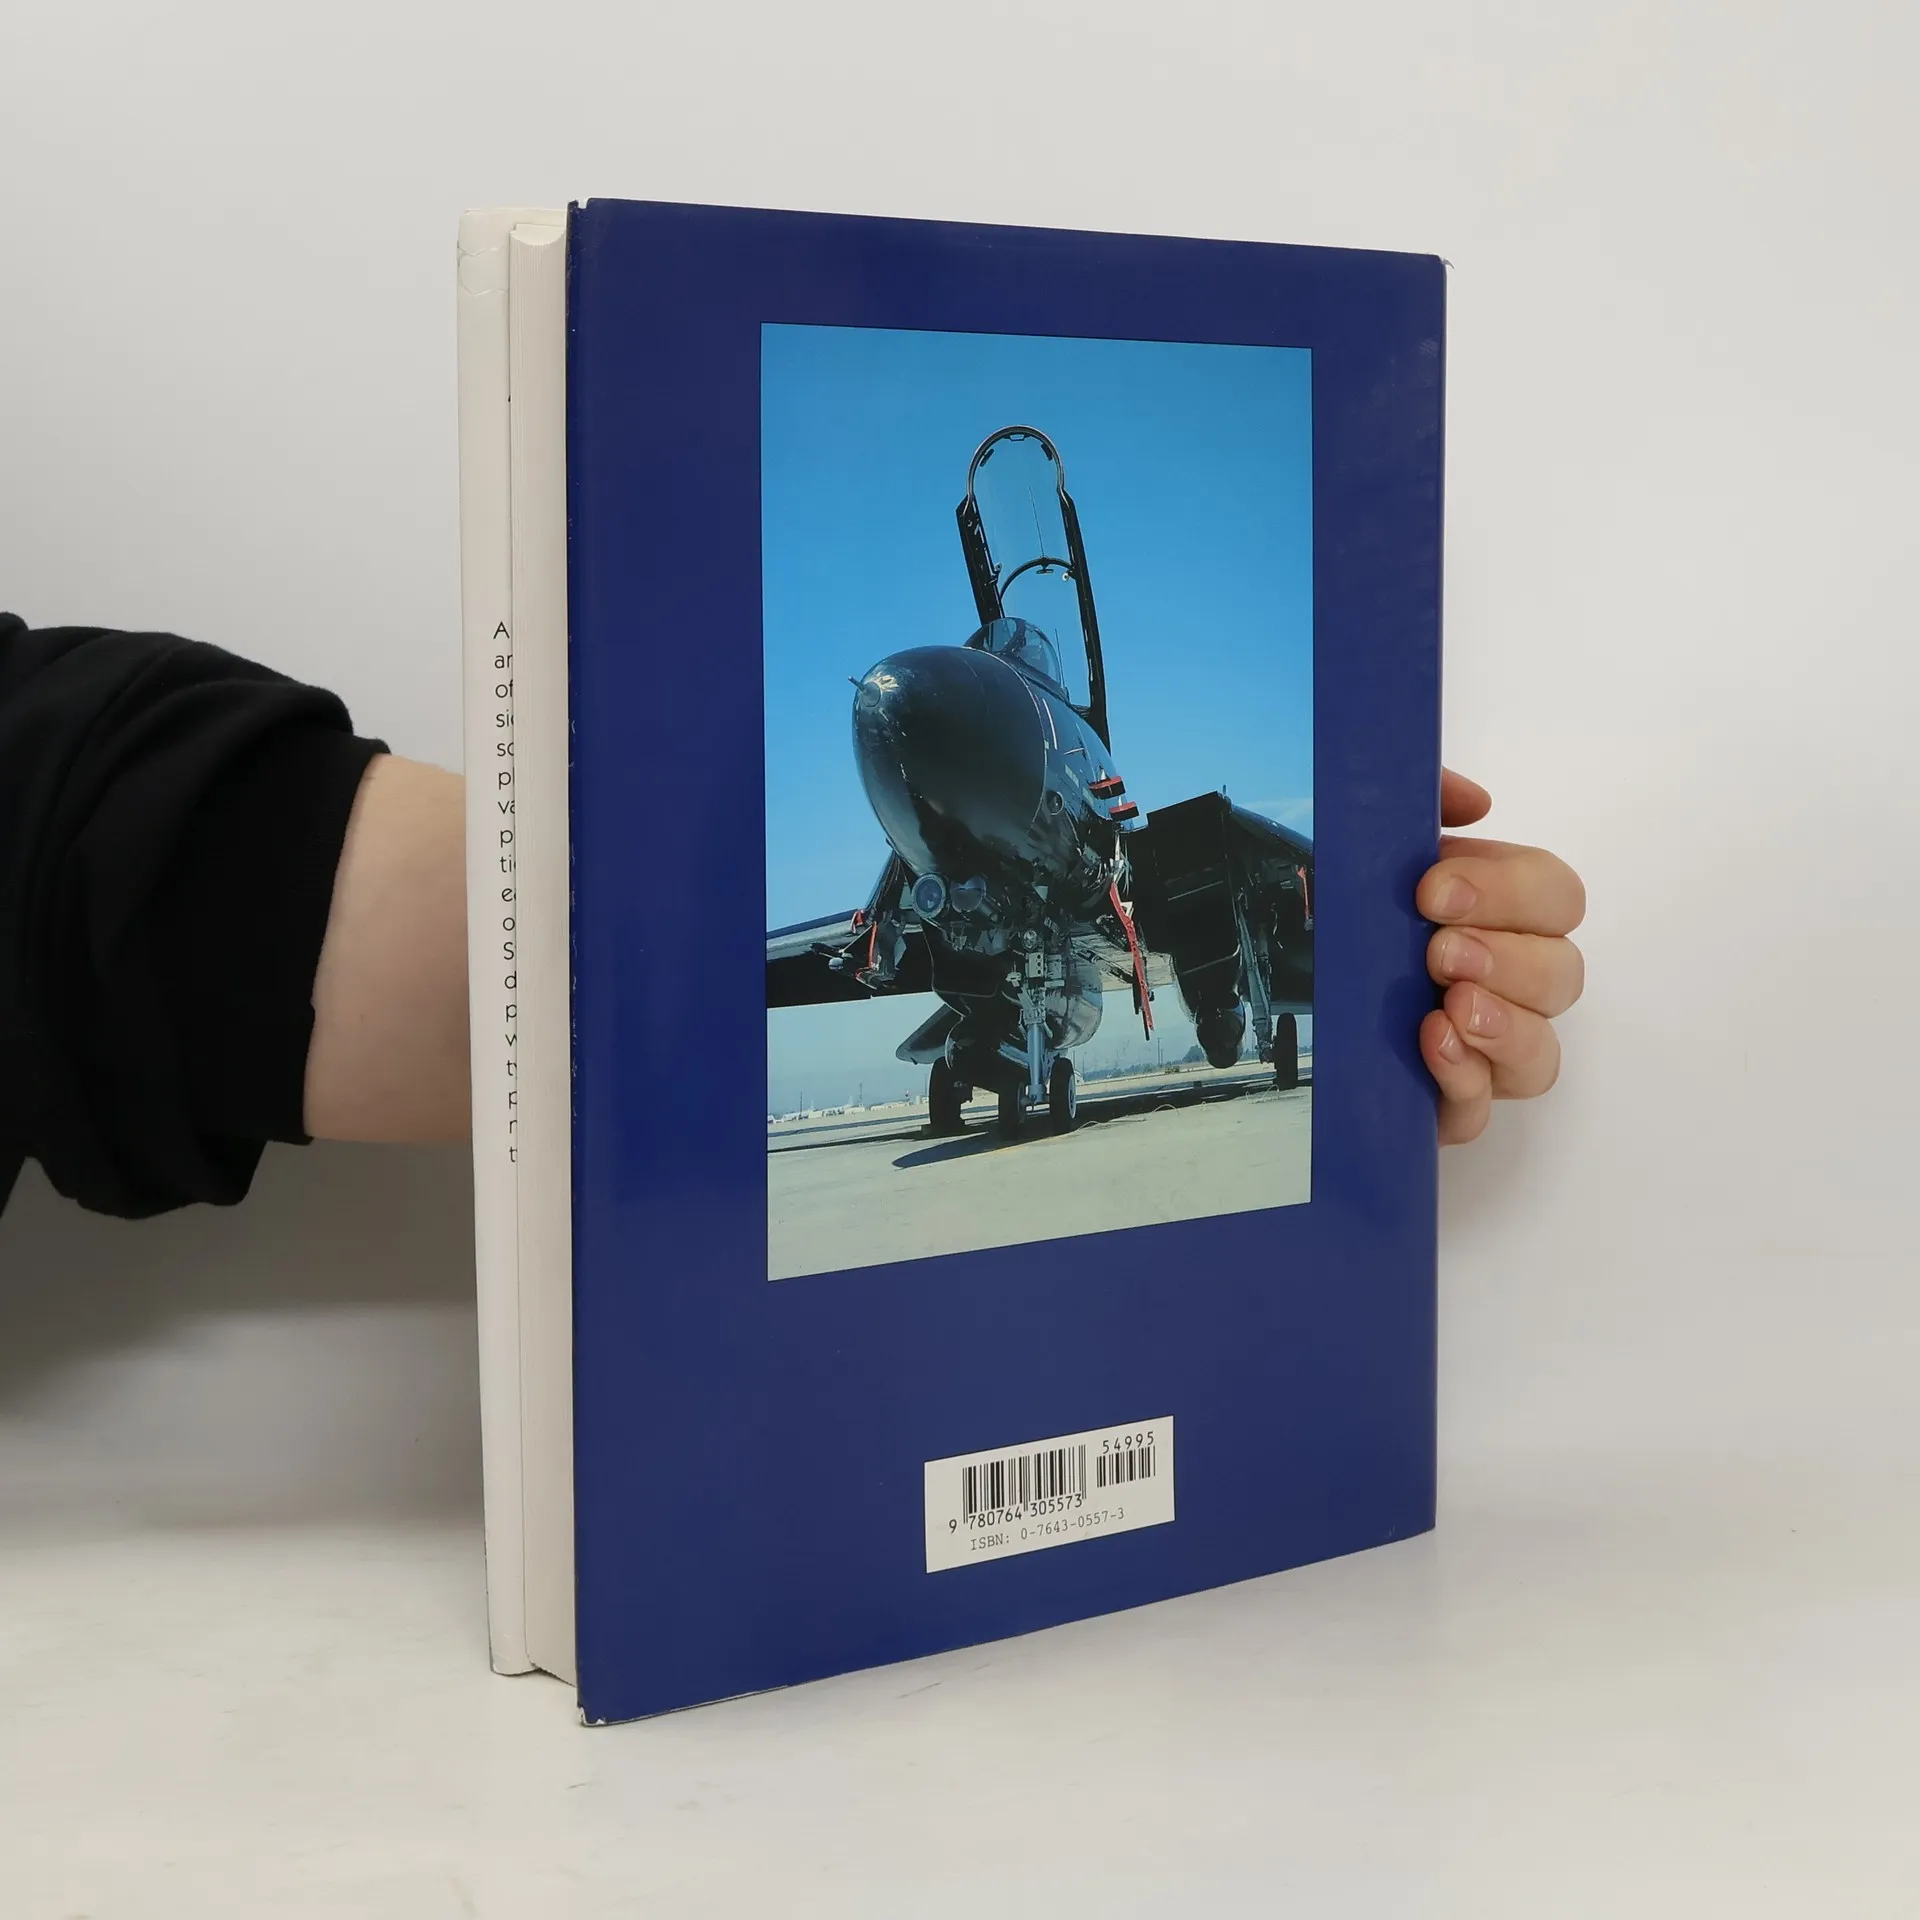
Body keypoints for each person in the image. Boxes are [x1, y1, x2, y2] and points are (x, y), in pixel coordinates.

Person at [0, 615, 1583, 1218]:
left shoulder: (1182, 843)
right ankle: (997, 1055)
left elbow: (103, 855)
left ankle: (1260, 1025)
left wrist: (1411, 937)